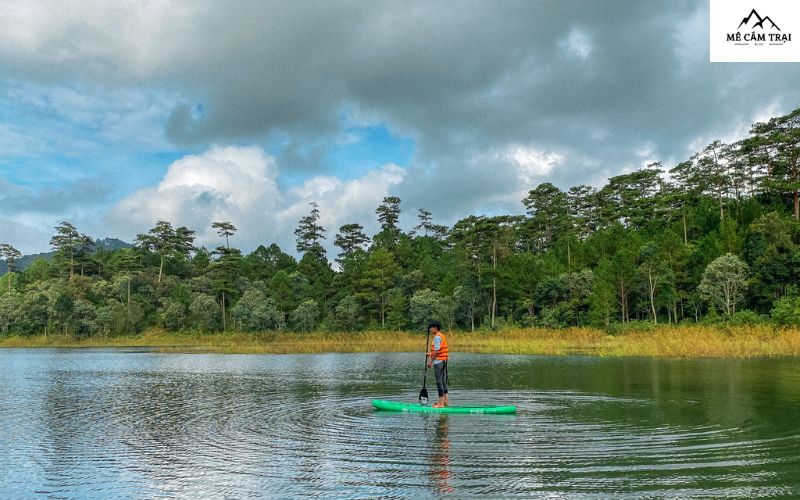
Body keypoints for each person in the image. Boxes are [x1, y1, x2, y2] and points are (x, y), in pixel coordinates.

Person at [426, 320, 449, 407]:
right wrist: (430, 354)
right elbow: (438, 351)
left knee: (439, 382)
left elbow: (436, 351)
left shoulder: (436, 337)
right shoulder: (441, 335)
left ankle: (441, 403)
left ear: (435, 328)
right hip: (443, 361)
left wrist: (430, 361)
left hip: (438, 362)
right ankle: (446, 401)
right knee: (443, 382)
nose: (430, 329)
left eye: (431, 328)